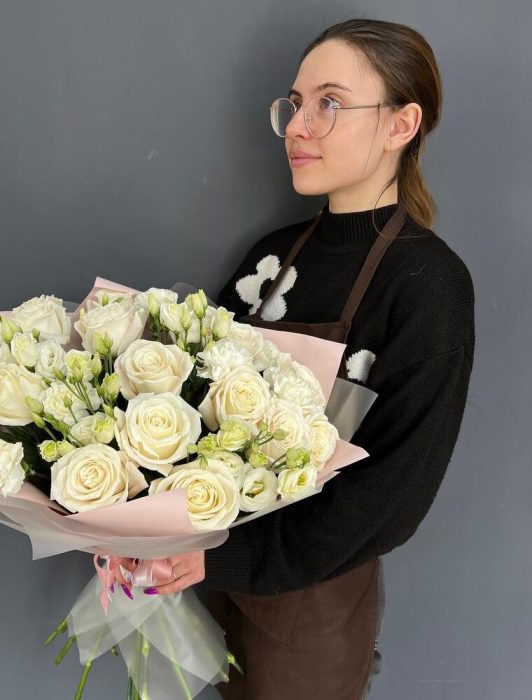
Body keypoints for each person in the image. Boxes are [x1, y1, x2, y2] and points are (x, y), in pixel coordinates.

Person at [115, 18, 475, 699]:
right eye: (296, 103)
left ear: (401, 125)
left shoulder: (427, 284)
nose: (298, 127)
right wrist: (132, 519)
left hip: (313, 599)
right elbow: (192, 414)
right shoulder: (270, 259)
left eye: (329, 103)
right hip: (210, 580)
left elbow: (391, 497)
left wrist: (220, 555)